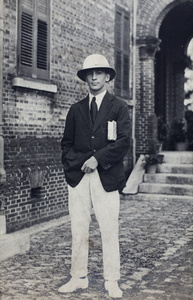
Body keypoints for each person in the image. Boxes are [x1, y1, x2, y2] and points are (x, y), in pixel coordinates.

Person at [58, 54, 130, 298]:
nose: (94, 77)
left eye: (99, 72)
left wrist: (98, 159)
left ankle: (112, 280)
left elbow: (123, 142)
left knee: (109, 229)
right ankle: (78, 277)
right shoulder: (76, 109)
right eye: (90, 73)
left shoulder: (118, 106)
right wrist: (72, 165)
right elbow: (66, 143)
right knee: (79, 229)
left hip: (106, 176)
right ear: (85, 78)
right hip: (78, 178)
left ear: (108, 77)